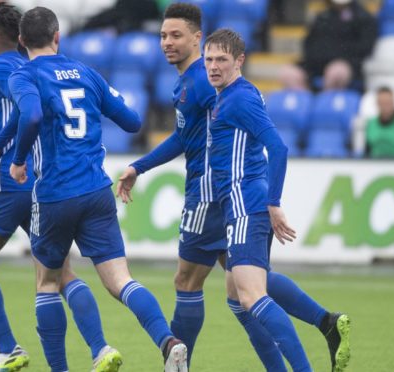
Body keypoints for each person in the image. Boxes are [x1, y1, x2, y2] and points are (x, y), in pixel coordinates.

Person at [117, 4, 351, 371]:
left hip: (217, 196)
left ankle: (179, 362)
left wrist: (270, 199)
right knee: (244, 293)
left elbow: (265, 140)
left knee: (212, 285)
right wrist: (139, 166)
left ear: (198, 39)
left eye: (176, 35)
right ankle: (324, 322)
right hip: (230, 197)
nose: (167, 42)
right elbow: (187, 136)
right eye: (163, 35)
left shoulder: (211, 87)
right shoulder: (209, 86)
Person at [7, 6, 188, 372]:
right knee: (121, 280)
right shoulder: (85, 73)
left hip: (56, 192)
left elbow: (31, 116)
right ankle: (168, 341)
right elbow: (133, 121)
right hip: (96, 190)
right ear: (58, 36)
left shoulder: (23, 75)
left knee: (47, 282)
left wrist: (18, 159)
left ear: (22, 41)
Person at [0, 4, 120, 372]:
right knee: (61, 275)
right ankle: (100, 348)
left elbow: (26, 108)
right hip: (44, 184)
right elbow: (30, 110)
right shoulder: (35, 67)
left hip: (10, 181)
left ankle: (9, 349)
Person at [205, 28, 322, 372]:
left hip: (246, 204)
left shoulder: (239, 98)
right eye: (208, 59)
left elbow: (279, 147)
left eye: (221, 60)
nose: (213, 66)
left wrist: (274, 202)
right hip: (237, 205)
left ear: (239, 61)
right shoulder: (227, 94)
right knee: (237, 299)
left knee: (253, 296)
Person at [302, 0, 377, 90]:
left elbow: (365, 47)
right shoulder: (322, 17)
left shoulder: (362, 17)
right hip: (317, 64)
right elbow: (309, 43)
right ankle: (304, 101)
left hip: (349, 64)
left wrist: (339, 56)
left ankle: (327, 101)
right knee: (289, 73)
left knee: (335, 72)